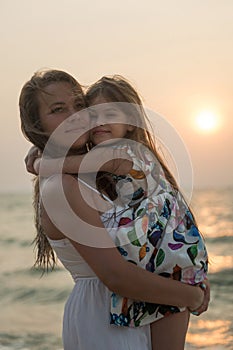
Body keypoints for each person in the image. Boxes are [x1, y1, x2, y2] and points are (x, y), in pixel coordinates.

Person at [20, 69, 209, 350]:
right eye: (58, 110)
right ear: (37, 126)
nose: (75, 116)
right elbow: (116, 276)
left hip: (134, 307)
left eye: (80, 106)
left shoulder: (101, 174)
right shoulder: (62, 186)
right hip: (104, 317)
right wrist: (191, 297)